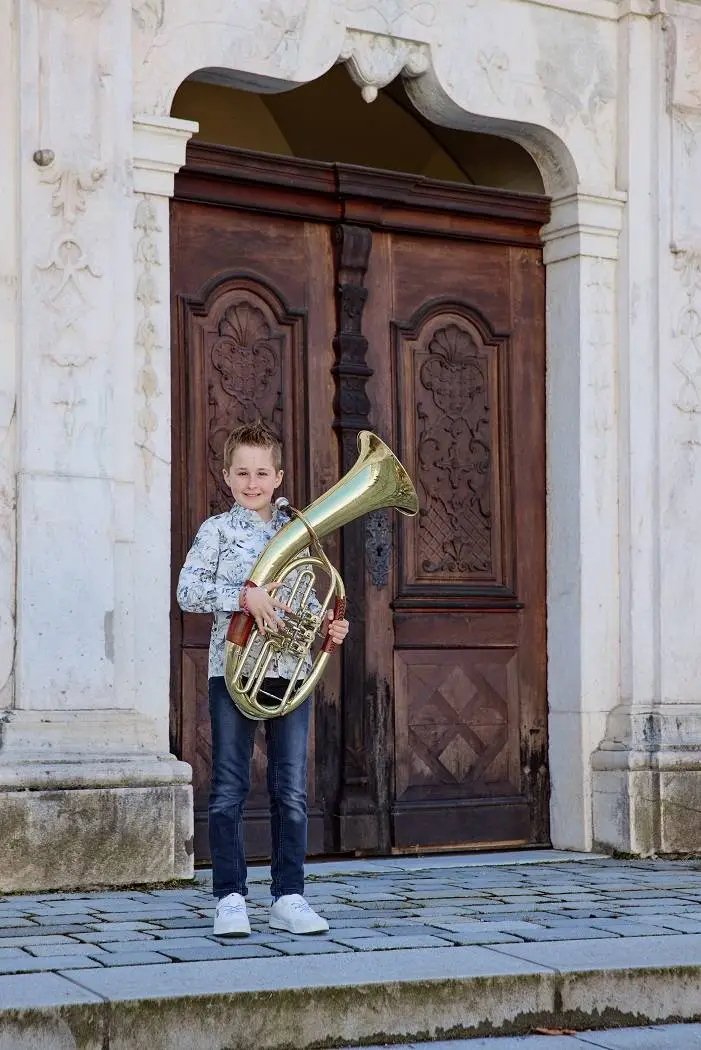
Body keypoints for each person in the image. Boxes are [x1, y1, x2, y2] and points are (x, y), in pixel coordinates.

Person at [176, 420, 349, 937]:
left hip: (290, 673)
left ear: (278, 477)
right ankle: (230, 897)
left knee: (290, 789)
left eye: (262, 473)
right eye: (242, 473)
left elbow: (312, 595)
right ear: (227, 477)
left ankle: (288, 896)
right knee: (229, 787)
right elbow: (187, 592)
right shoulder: (216, 532)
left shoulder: (299, 531)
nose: (252, 482)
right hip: (233, 672)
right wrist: (243, 596)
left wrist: (327, 628)